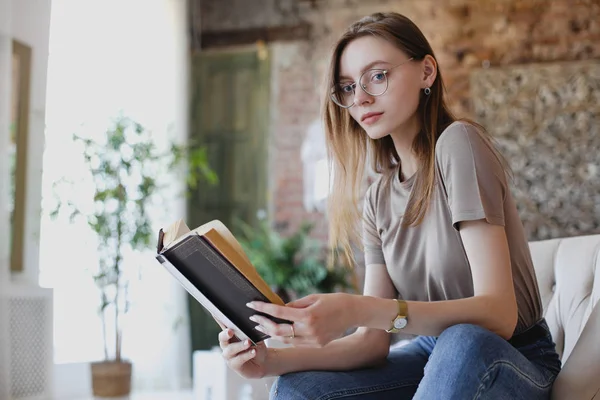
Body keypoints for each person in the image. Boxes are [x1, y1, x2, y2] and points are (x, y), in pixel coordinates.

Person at [217, 11, 561, 400]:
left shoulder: (459, 144)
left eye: (377, 76)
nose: (360, 97)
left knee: (463, 342)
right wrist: (269, 361)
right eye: (347, 87)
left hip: (512, 357)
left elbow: (499, 315)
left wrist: (358, 308)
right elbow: (371, 343)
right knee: (301, 387)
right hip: (433, 352)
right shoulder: (378, 197)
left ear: (426, 72)